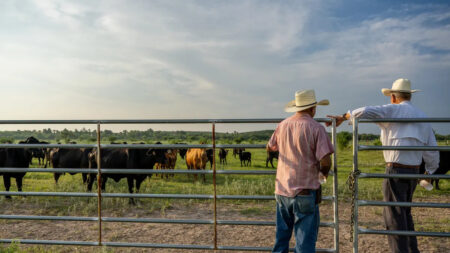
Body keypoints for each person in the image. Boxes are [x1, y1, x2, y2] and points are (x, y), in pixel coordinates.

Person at [327, 78, 439, 253]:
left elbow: (363, 111)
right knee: (405, 214)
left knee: (394, 217)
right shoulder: (422, 116)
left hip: (395, 170)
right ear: (410, 96)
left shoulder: (392, 110)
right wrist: (428, 171)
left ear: (393, 97)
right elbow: (432, 151)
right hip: (414, 172)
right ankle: (412, 250)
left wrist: (344, 117)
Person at [267, 89, 334, 253]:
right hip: (304, 192)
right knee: (304, 244)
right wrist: (322, 174)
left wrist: (284, 157)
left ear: (296, 107)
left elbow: (270, 147)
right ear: (313, 109)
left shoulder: (282, 125)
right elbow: (325, 161)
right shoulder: (316, 128)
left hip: (282, 191)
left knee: (281, 239)